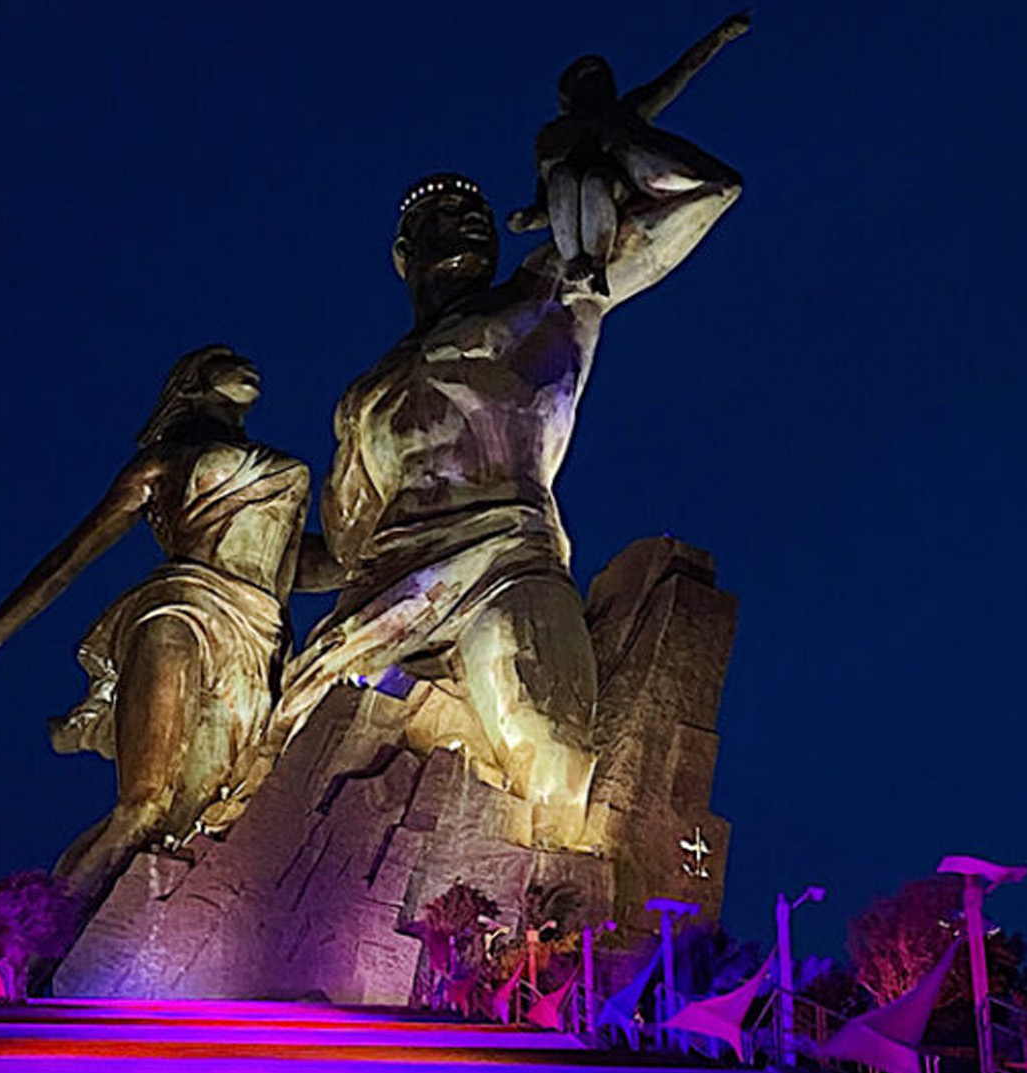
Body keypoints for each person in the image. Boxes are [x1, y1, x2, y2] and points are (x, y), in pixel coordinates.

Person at [262, 103, 740, 849]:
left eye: (479, 213)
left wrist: (608, 137)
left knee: (552, 759)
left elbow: (706, 191)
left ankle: (543, 949)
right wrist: (232, 560)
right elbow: (344, 550)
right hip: (384, 593)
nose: (470, 221)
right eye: (445, 215)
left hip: (509, 563)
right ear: (404, 252)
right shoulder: (364, 398)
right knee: (278, 759)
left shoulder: (549, 293)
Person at [0, 345, 311, 900]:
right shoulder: (163, 461)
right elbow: (67, 561)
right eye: (225, 357)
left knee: (204, 817)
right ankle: (33, 940)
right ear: (193, 380)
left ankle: (123, 938)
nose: (247, 362)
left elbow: (303, 565)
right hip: (181, 611)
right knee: (145, 805)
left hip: (257, 639)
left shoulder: (283, 469)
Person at [506, 13, 749, 296]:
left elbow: (680, 73)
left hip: (613, 190)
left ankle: (597, 264)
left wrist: (721, 36)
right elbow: (547, 201)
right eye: (585, 82)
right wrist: (527, 220)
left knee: (597, 182)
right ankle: (574, 259)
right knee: (563, 177)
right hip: (569, 210)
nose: (593, 88)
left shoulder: (622, 112)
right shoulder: (552, 136)